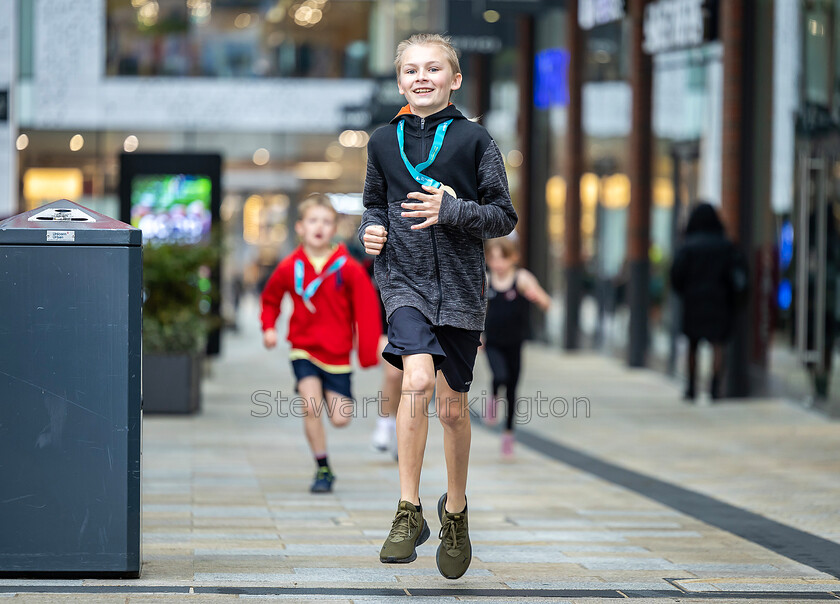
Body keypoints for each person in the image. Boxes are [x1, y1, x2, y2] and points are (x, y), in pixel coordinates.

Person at [359, 33, 517, 579]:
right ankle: (408, 509)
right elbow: (372, 205)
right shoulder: (382, 140)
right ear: (399, 79)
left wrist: (453, 211)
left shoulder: (475, 141)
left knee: (451, 408)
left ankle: (455, 511)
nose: (420, 77)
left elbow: (503, 216)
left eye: (433, 68)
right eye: (409, 70)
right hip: (401, 282)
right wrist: (372, 231)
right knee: (417, 383)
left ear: (454, 79)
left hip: (460, 290)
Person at [261, 194, 381, 493]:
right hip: (303, 349)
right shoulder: (290, 266)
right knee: (310, 405)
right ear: (300, 227)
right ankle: (323, 467)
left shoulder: (347, 267)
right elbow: (271, 299)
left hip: (338, 354)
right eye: (313, 221)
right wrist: (268, 328)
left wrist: (370, 350)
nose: (319, 227)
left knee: (340, 419)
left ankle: (332, 403)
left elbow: (366, 308)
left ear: (335, 228)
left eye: (326, 222)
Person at [482, 236, 551, 457]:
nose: (497, 264)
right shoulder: (487, 279)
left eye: (502, 258)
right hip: (492, 342)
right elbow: (478, 310)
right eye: (492, 259)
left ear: (514, 257)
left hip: (515, 342)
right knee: (500, 376)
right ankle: (493, 398)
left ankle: (508, 434)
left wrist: (536, 297)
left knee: (512, 388)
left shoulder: (521, 278)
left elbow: (546, 302)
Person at [670, 202, 746, 400]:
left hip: (693, 301)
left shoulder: (688, 246)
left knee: (692, 345)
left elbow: (676, 275)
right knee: (717, 344)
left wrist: (685, 291)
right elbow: (736, 276)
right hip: (719, 302)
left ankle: (691, 387)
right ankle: (714, 388)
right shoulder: (725, 245)